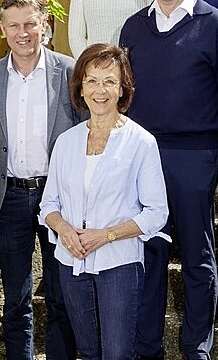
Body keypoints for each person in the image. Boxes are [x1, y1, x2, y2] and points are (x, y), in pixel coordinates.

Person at [119, 0, 218, 360]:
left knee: (196, 258)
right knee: (148, 255)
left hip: (196, 157)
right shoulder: (133, 28)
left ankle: (197, 347)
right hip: (143, 157)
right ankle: (146, 347)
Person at [39, 43, 169, 360]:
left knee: (117, 353)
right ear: (80, 87)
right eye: (93, 81)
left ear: (122, 88)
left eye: (110, 81)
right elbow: (48, 205)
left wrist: (105, 235)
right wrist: (65, 232)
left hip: (119, 263)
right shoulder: (66, 142)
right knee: (87, 351)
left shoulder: (141, 142)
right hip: (71, 260)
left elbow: (157, 212)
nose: (101, 90)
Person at [0, 0, 80, 360]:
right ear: (3, 30)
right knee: (16, 301)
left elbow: (85, 134)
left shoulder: (68, 72)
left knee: (60, 296)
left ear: (44, 26)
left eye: (30, 24)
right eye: (15, 25)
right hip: (10, 199)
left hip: (59, 199)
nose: (24, 33)